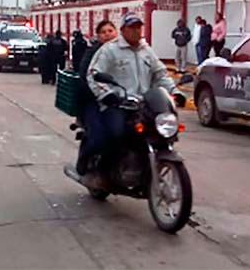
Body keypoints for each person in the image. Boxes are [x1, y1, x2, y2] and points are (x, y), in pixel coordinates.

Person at [70, 13, 185, 186]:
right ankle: (102, 171)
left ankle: (143, 167)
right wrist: (107, 95)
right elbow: (93, 74)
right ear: (123, 30)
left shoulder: (146, 51)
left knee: (160, 132)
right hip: (119, 104)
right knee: (116, 134)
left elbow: (160, 74)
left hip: (143, 104)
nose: (136, 31)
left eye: (138, 27)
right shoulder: (109, 50)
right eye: (132, 27)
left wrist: (175, 93)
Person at [74, 20, 118, 175]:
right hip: (93, 100)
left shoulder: (123, 51)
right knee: (99, 137)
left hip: (118, 100)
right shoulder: (93, 53)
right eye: (103, 32)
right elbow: (86, 77)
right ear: (98, 36)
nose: (107, 34)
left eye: (110, 31)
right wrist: (101, 94)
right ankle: (84, 158)